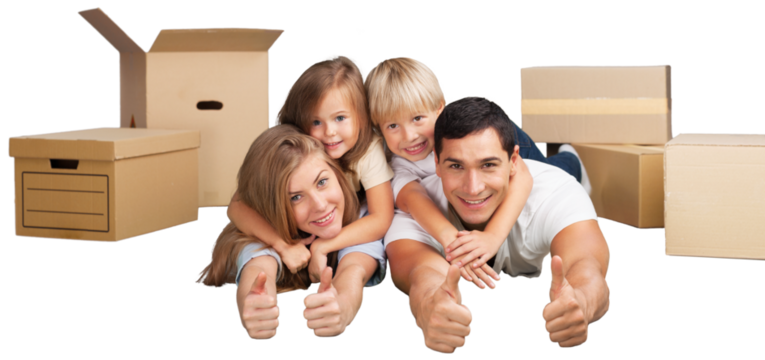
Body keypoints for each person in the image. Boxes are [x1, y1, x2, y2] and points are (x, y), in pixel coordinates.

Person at [386, 96, 611, 353]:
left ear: (514, 162)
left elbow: (588, 266)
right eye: (456, 166)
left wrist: (581, 300)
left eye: (488, 165)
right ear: (436, 162)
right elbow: (420, 274)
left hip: (552, 168)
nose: (473, 188)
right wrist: (429, 307)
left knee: (566, 166)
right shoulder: (414, 211)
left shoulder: (556, 190)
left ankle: (569, 153)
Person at [364, 55, 591, 291]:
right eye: (393, 126)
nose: (409, 135)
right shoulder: (398, 164)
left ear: (439, 110)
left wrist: (492, 237)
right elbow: (414, 199)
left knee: (553, 172)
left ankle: (571, 158)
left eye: (418, 118)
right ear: (378, 129)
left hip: (507, 142)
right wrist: (452, 240)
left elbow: (523, 176)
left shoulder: (475, 137)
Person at [227, 54, 393, 296]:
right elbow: (237, 206)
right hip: (303, 219)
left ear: (361, 117)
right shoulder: (295, 146)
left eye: (340, 118)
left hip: (344, 218)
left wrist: (323, 247)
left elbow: (381, 218)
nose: (329, 133)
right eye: (316, 121)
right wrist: (283, 246)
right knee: (254, 242)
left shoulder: (368, 151)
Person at [194, 124, 375, 340]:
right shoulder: (263, 232)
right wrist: (255, 306)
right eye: (296, 197)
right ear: (273, 209)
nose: (319, 205)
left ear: (338, 174)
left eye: (322, 182)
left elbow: (354, 271)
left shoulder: (363, 220)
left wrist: (343, 308)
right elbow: (258, 267)